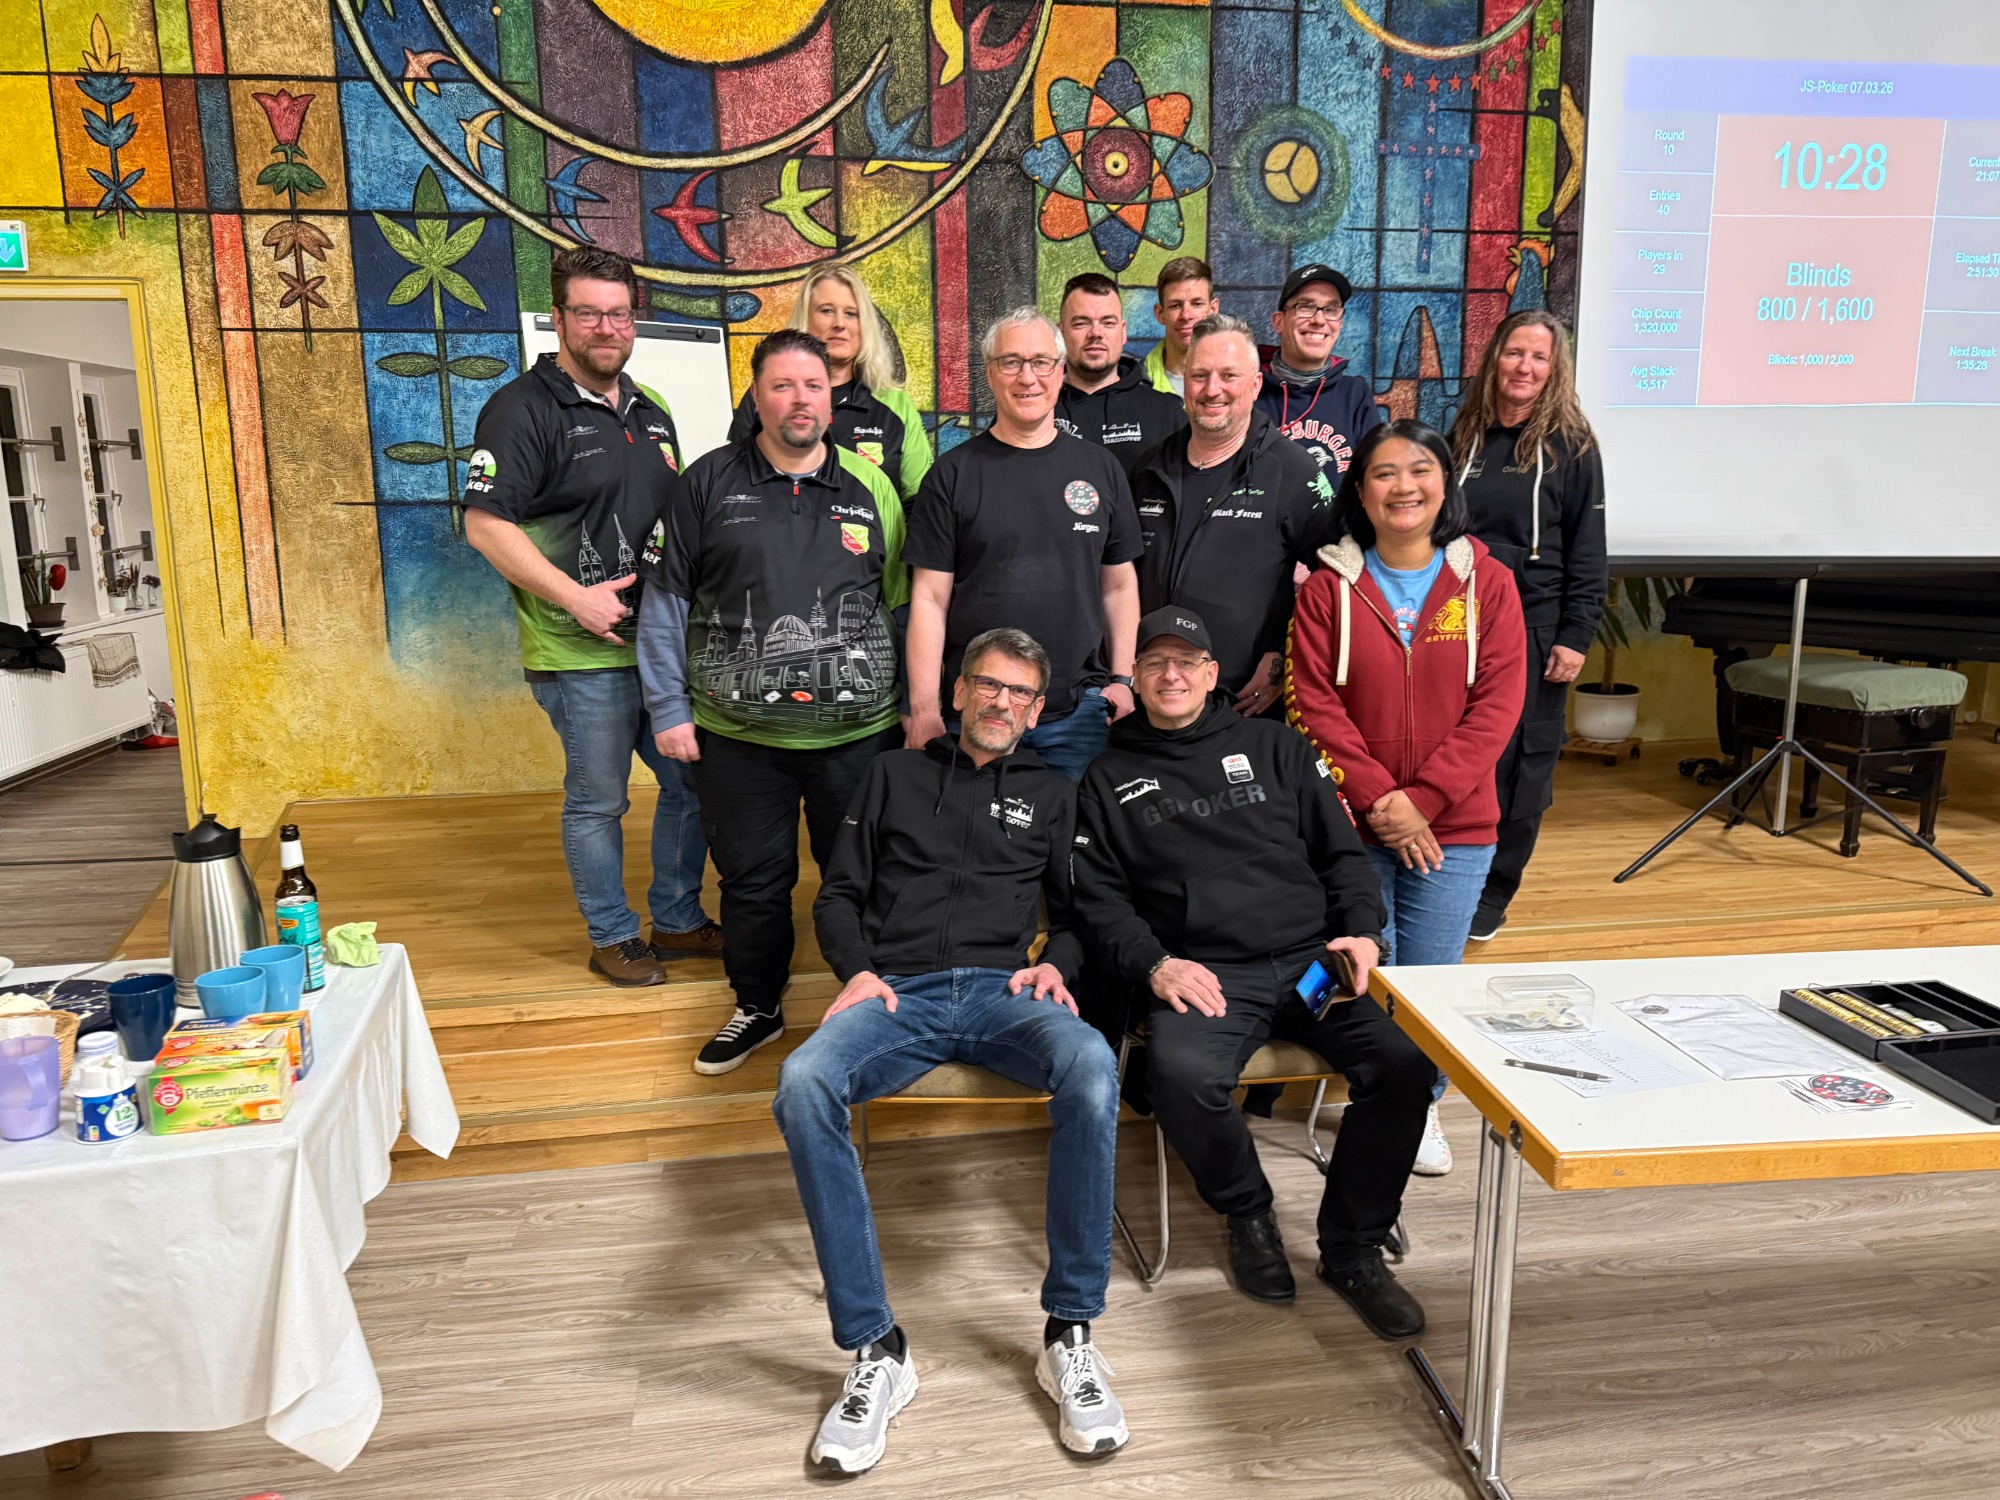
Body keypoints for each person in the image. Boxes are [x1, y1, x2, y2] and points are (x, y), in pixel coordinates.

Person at [779, 627, 1126, 1475]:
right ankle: (877, 1350)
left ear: (1036, 711)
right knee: (803, 1080)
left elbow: (1077, 915)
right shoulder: (892, 775)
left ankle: (1069, 1332)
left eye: (1020, 693)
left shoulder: (1052, 793)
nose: (1002, 702)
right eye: (989, 685)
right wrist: (857, 971)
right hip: (898, 995)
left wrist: (1056, 965)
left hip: (1007, 993)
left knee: (1090, 1065)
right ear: (961, 690)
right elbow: (838, 896)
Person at [1075, 606, 1437, 1339]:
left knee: (1405, 1067)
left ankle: (1354, 1249)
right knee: (1182, 1077)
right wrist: (1156, 965)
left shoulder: (1277, 746)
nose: (1171, 675)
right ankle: (1248, 1212)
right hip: (1208, 974)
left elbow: (1342, 856)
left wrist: (1363, 933)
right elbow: (1098, 901)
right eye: (1155, 663)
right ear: (1135, 678)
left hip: (1310, 964)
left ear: (1212, 674)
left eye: (1186, 662)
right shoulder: (1106, 777)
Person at [637, 329, 905, 1075]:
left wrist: (915, 707)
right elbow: (665, 603)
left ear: (832, 399)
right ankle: (757, 1006)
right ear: (756, 397)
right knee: (754, 882)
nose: (799, 400)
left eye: (812, 386)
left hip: (859, 736)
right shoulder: (706, 482)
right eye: (781, 386)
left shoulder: (871, 487)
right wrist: (668, 709)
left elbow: (901, 605)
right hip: (738, 737)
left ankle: (872, 1001)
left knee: (862, 874)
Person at [463, 246, 717, 988]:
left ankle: (677, 920)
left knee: (691, 786)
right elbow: (484, 525)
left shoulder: (651, 408)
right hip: (577, 654)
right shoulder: (521, 408)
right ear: (559, 318)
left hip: (657, 648)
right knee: (599, 801)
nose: (607, 328)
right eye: (589, 313)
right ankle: (612, 936)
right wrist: (576, 597)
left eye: (619, 313)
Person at [1286, 420, 1527, 1178]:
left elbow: (1498, 705)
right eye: (1384, 473)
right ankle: (1372, 1098)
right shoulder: (1327, 589)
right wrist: (1382, 800)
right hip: (1353, 824)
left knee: (1429, 982)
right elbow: (1315, 705)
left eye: (1420, 470)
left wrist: (1423, 800)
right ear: (1361, 493)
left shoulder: (1488, 584)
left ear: (1445, 483)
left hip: (1458, 825)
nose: (1403, 487)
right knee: (1366, 972)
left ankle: (1420, 1110)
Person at [903, 308, 1143, 783]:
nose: (1027, 377)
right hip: (976, 712)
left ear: (1061, 371)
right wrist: (925, 708)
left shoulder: (1101, 469)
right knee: (971, 829)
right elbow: (929, 599)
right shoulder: (952, 475)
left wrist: (1122, 679)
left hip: (1077, 713)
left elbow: (1118, 585)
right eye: (1011, 362)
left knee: (1073, 829)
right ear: (990, 373)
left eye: (1040, 362)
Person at [1446, 310, 1608, 944]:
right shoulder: (1462, 434)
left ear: (1554, 369)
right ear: (1496, 358)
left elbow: (1589, 549)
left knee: (1521, 765)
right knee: (1457, 750)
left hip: (1537, 627)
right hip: (1456, 624)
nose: (1525, 367)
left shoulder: (1574, 448)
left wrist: (1575, 634)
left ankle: (1494, 891)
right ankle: (1448, 876)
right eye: (1515, 353)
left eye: (1539, 358)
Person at [1127, 313, 1336, 717]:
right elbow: (1119, 579)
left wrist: (1283, 656)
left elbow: (1336, 581)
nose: (1212, 389)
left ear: (1255, 385)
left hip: (1242, 706)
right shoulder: (1149, 468)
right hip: (1154, 702)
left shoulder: (1293, 471)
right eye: (1199, 375)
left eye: (1228, 375)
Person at [726, 265, 933, 501]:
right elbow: (732, 483)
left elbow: (919, 502)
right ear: (805, 319)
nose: (839, 324)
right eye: (826, 311)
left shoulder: (895, 405)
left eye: (851, 313)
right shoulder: (767, 396)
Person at [1255, 263, 1384, 477]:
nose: (1319, 320)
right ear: (1279, 322)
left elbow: (1374, 476)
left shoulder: (1355, 395)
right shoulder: (1250, 390)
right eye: (1305, 307)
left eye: (1331, 310)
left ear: (1339, 324)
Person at [1053, 272, 1186, 476]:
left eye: (1108, 322)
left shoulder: (1166, 413)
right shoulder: (1038, 412)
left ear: (1123, 332)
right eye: (1081, 323)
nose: (1096, 333)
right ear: (1061, 334)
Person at [1141, 256, 1218, 396]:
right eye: (1175, 305)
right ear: (1160, 314)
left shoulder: (1240, 381)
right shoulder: (1135, 383)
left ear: (1213, 310)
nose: (1186, 315)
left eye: (1196, 304)